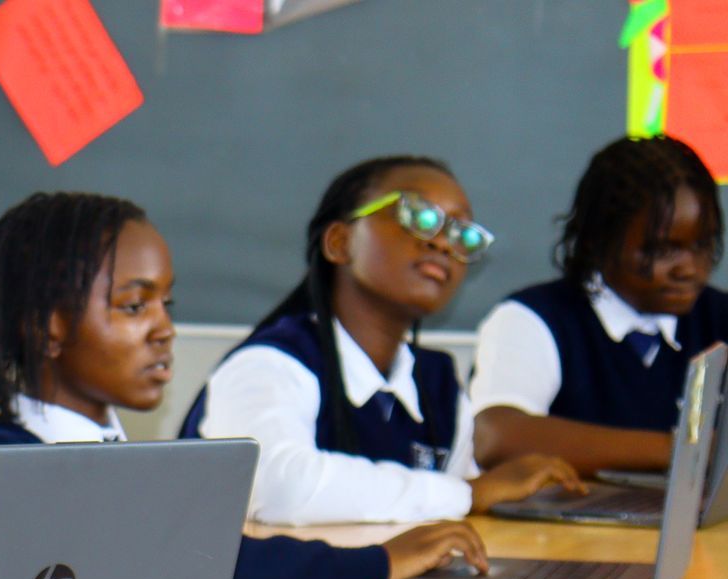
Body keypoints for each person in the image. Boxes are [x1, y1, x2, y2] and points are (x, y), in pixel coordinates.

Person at [0, 191, 486, 579]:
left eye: (168, 304)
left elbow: (216, 558)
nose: (164, 329)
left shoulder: (122, 468)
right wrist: (378, 562)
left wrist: (383, 560)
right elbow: (191, 561)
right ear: (46, 328)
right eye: (135, 306)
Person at [181, 155, 579, 525]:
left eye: (462, 233)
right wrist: (465, 494)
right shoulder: (269, 364)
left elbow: (457, 513)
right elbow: (277, 488)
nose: (442, 243)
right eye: (419, 216)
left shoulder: (437, 384)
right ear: (339, 243)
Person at [472, 135, 728, 476]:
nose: (689, 269)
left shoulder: (719, 317)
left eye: (702, 246)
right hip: (559, 530)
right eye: (661, 250)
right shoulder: (535, 318)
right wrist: (683, 449)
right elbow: (496, 437)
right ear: (599, 241)